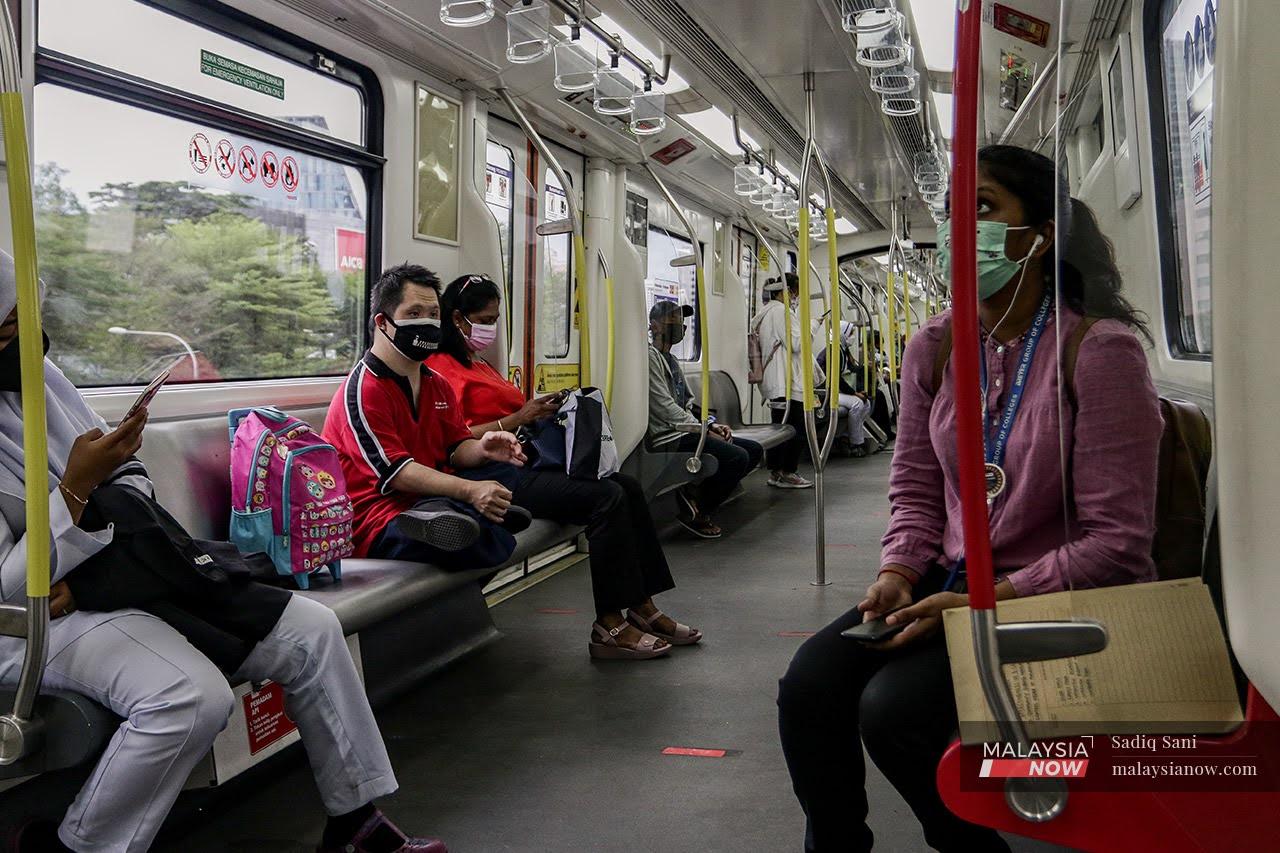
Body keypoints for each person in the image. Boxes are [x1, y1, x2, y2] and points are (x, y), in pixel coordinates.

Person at [777, 145, 1163, 852]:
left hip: (1058, 595)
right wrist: (899, 570)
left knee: (894, 711)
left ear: (1039, 236)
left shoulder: (1099, 353)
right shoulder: (935, 346)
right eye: (953, 210)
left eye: (982, 207)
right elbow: (917, 487)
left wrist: (985, 601)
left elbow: (1118, 541)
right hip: (953, 578)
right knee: (810, 684)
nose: (961, 227)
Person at [0, 253, 445, 853]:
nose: (27, 340)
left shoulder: (40, 380)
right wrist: (77, 491)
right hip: (34, 619)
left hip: (112, 573)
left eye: (26, 319)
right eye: (9, 326)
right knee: (191, 698)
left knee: (313, 631)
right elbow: (10, 585)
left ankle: (356, 821)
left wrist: (102, 485)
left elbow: (129, 478)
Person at [428, 275, 701, 660]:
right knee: (606, 497)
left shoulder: (479, 364)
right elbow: (452, 439)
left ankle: (642, 605)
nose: (491, 328)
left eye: (495, 319)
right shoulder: (440, 370)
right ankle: (608, 623)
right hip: (491, 474)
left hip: (523, 461)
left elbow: (511, 413)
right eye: (485, 320)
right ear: (458, 319)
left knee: (626, 485)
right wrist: (517, 417)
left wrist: (538, 410)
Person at [323, 264, 530, 572]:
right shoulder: (363, 390)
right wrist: (470, 491)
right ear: (383, 322)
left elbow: (455, 448)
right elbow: (396, 473)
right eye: (414, 313)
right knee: (473, 541)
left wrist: (483, 448)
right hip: (380, 516)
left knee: (503, 470)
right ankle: (474, 518)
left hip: (425, 500)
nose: (427, 322)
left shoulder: (437, 384)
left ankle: (465, 516)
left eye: (433, 314)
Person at [647, 300, 763, 539]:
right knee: (737, 457)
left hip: (685, 430)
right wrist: (702, 430)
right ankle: (698, 513)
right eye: (672, 319)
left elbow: (687, 403)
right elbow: (665, 408)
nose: (680, 325)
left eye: (681, 320)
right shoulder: (650, 358)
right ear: (655, 325)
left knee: (753, 450)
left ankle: (693, 498)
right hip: (668, 436)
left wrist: (710, 424)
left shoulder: (671, 360)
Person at [753, 274, 815, 488]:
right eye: (795, 292)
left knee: (780, 429)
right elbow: (797, 343)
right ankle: (788, 472)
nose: (796, 297)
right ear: (787, 291)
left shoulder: (766, 312)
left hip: (776, 381)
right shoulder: (781, 311)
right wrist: (812, 326)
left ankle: (777, 473)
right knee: (796, 429)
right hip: (786, 382)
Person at [816, 321, 875, 457]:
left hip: (836, 390)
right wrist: (855, 393)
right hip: (826, 392)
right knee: (857, 404)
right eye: (851, 333)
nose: (852, 337)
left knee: (866, 403)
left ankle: (846, 435)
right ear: (843, 334)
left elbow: (849, 370)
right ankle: (856, 444)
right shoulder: (833, 351)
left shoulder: (842, 350)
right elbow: (835, 379)